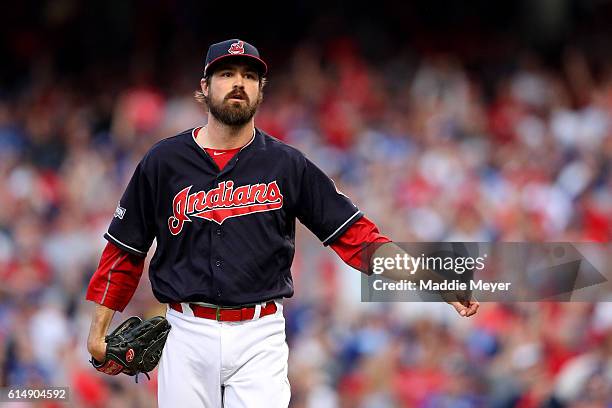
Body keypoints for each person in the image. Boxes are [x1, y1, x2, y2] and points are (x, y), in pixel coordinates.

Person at [85, 38, 479, 408]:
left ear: (260, 90)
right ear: (204, 87)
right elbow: (124, 249)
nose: (239, 83)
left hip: (260, 334)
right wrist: (98, 330)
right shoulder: (163, 161)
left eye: (249, 76)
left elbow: (359, 240)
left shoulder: (286, 165)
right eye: (227, 74)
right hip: (186, 332)